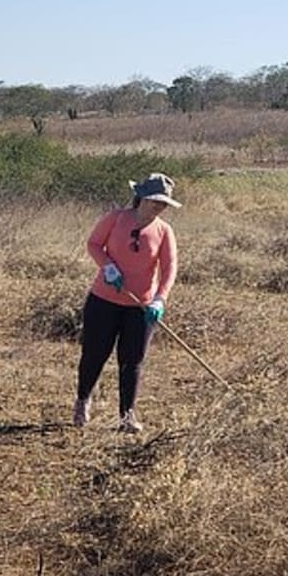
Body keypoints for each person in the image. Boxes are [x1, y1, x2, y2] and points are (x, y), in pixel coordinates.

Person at [73, 172, 181, 433]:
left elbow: (169, 268)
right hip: (104, 301)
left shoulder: (164, 231)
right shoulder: (116, 218)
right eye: (155, 200)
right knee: (95, 354)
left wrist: (159, 300)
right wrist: (108, 267)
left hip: (140, 307)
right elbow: (94, 244)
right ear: (141, 198)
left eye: (163, 203)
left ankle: (127, 416)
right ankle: (82, 400)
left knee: (132, 360)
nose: (159, 206)